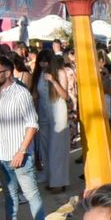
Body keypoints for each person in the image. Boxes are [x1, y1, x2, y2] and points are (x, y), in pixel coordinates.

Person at [0, 53, 47, 220]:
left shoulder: (21, 94)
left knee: (31, 194)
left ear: (8, 72)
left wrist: (21, 151)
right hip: (2, 152)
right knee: (8, 193)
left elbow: (32, 124)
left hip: (21, 154)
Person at [33, 50, 72, 194]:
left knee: (57, 148)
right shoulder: (38, 75)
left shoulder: (60, 73)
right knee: (44, 147)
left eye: (46, 61)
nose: (43, 64)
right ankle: (50, 177)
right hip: (43, 112)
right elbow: (37, 95)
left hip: (58, 111)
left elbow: (65, 96)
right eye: (41, 61)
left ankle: (59, 182)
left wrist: (53, 81)